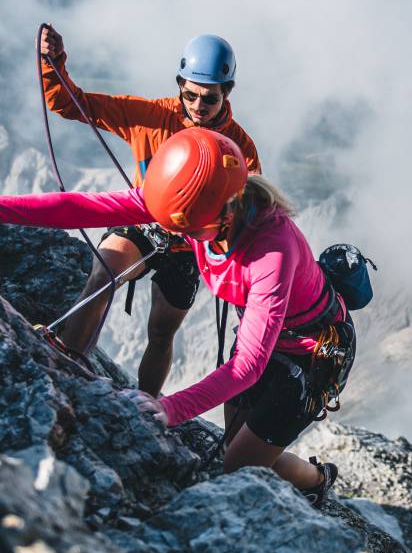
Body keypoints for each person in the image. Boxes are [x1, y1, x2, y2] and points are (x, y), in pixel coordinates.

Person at [0, 127, 346, 504]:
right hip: (264, 332)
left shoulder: (273, 251)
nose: (174, 233)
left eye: (184, 228)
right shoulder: (192, 198)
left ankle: (317, 478)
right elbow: (83, 207)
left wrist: (171, 408)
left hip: (311, 355)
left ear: (222, 215)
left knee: (239, 467)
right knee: (235, 448)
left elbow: (248, 365)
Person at [38, 26, 260, 396]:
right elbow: (69, 101)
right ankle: (68, 363)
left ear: (226, 95)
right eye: (190, 94)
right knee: (105, 272)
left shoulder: (239, 147)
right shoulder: (149, 116)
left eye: (210, 99)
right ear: (180, 84)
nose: (198, 106)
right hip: (143, 224)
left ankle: (146, 406)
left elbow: (251, 206)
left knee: (161, 331)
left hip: (190, 249)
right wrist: (52, 61)